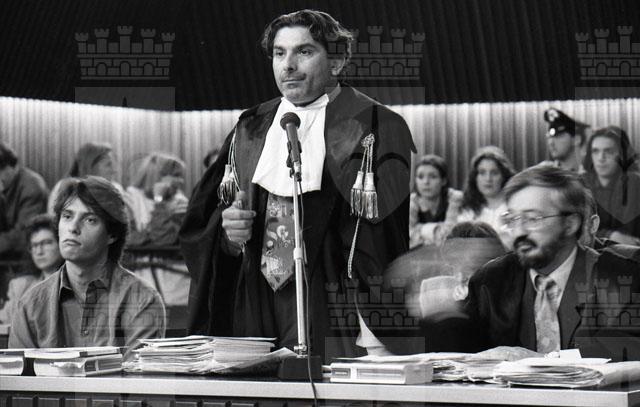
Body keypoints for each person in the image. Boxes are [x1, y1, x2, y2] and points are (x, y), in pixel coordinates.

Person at [180, 9, 415, 361]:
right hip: (256, 297)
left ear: (336, 61)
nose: (287, 65)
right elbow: (203, 223)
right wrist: (229, 236)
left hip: (332, 297)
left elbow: (383, 240)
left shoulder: (375, 126)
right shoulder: (250, 127)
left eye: (304, 51)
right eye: (279, 53)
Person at [453, 166, 640, 361]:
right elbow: (461, 349)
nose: (519, 231)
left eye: (533, 219)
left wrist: (546, 360)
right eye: (512, 219)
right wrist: (442, 316)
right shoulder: (490, 280)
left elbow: (627, 351)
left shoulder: (623, 279)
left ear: (570, 224)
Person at [9, 176, 166, 349]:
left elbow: (136, 367)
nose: (73, 228)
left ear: (112, 235)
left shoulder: (143, 299)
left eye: (90, 219)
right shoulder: (30, 304)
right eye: (67, 216)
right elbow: (20, 368)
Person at [126, 152, 190, 307]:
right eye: (175, 175)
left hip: (177, 285)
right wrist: (151, 233)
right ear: (156, 176)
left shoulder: (181, 202)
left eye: (181, 176)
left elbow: (164, 239)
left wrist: (158, 202)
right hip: (142, 284)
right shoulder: (130, 199)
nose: (180, 181)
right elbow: (129, 239)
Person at [0, 214, 63, 325]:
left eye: (46, 243)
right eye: (34, 245)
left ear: (61, 243)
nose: (39, 251)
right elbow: (4, 323)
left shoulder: (75, 284)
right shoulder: (20, 287)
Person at [582, 126, 640, 246]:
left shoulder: (633, 182)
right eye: (595, 151)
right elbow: (576, 229)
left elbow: (629, 234)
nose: (601, 158)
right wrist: (610, 235)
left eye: (608, 151)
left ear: (621, 155)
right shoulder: (581, 183)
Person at [456, 146, 516, 248]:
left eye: (494, 173)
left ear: (503, 176)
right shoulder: (468, 211)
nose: (488, 179)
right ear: (475, 177)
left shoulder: (514, 207)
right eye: (482, 173)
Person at [0, 142, 48, 257]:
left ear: (12, 166)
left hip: (32, 255)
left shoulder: (32, 186)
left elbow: (24, 235)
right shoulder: (5, 185)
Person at [47, 142, 123, 215]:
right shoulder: (67, 187)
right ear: (90, 165)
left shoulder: (116, 188)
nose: (114, 170)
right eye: (108, 164)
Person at [409, 155, 462, 248]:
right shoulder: (411, 201)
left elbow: (452, 231)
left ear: (443, 181)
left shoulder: (454, 197)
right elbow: (408, 234)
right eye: (420, 177)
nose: (426, 182)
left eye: (433, 177)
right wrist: (438, 229)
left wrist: (420, 229)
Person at [538, 108, 590, 172]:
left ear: (576, 139)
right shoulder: (545, 173)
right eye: (549, 137)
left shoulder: (592, 173)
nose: (551, 143)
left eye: (558, 136)